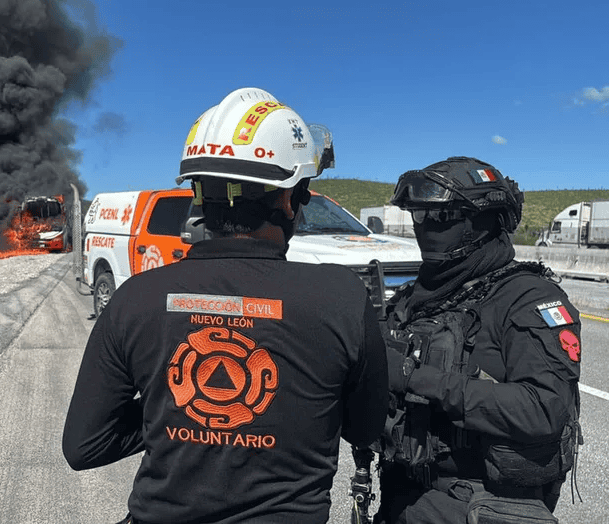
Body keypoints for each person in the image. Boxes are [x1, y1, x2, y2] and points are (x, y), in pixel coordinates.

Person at [62, 87, 389, 524]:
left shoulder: (136, 298)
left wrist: (177, 404)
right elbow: (365, 430)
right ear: (289, 198)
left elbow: (85, 446)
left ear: (200, 195)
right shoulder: (341, 298)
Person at [374, 157, 583, 524]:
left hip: (482, 505)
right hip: (401, 496)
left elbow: (543, 408)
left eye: (440, 217)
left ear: (485, 223)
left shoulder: (526, 298)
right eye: (418, 216)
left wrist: (414, 378)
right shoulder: (413, 298)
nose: (425, 227)